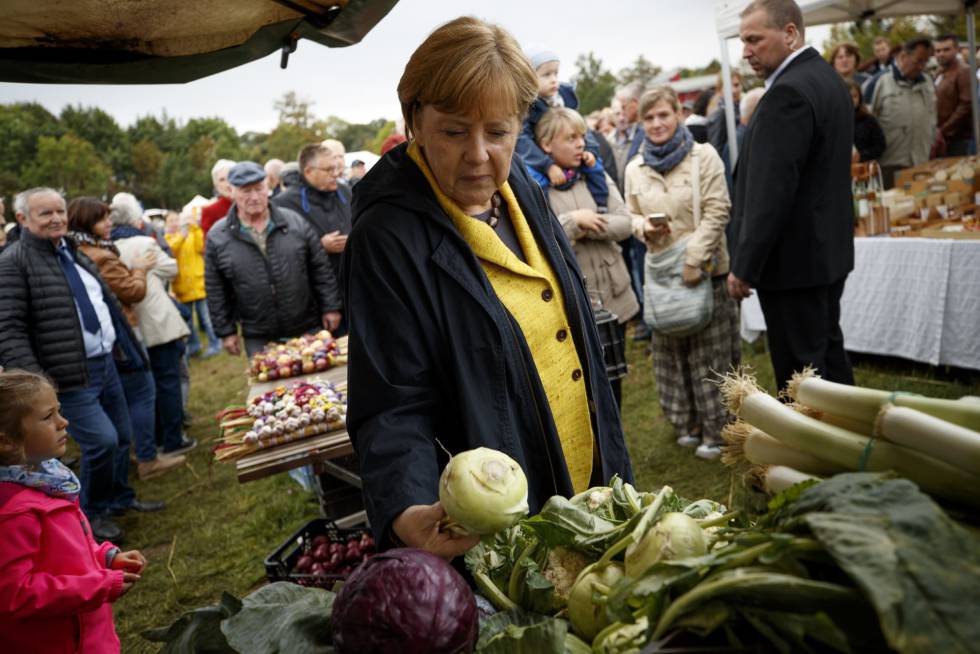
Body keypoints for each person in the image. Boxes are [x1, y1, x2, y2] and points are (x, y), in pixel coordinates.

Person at [343, 16, 633, 558]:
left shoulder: (518, 183)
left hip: (588, 478)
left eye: (498, 132)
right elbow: (390, 401)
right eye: (454, 131)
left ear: (521, 124)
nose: (479, 154)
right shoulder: (387, 237)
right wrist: (407, 506)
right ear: (414, 121)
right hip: (493, 512)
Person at [0, 188, 165, 543]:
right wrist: (36, 386)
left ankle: (120, 497)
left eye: (60, 211)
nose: (57, 218)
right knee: (101, 442)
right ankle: (90, 514)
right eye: (45, 213)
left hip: (105, 365)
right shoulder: (13, 262)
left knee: (121, 437)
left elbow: (102, 305)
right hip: (64, 378)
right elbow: (8, 328)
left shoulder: (72, 252)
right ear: (22, 219)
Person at [728, 0, 855, 391]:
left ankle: (818, 451)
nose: (745, 51)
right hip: (823, 254)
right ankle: (851, 445)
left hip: (794, 265)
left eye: (754, 39)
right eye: (742, 41)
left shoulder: (789, 93)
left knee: (803, 378)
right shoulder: (827, 79)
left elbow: (771, 193)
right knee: (828, 358)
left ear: (790, 34)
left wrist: (745, 266)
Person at [623, 87, 737, 460]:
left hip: (703, 270)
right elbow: (629, 215)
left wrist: (694, 258)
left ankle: (717, 428)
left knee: (711, 354)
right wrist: (643, 228)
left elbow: (719, 210)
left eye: (663, 115)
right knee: (671, 354)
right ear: (641, 123)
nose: (656, 124)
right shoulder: (634, 168)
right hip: (661, 273)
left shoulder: (703, 156)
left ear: (678, 114)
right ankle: (686, 423)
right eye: (649, 118)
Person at [0, 370, 147, 653]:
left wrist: (104, 557)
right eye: (48, 417)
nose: (63, 422)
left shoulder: (49, 479)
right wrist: (98, 585)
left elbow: (67, 550)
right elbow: (15, 594)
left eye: (60, 411)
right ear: (6, 441)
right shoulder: (13, 513)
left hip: (90, 636)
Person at [67, 197, 188, 480]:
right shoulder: (99, 254)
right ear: (87, 222)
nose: (109, 223)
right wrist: (140, 269)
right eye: (102, 219)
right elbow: (133, 292)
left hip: (113, 334)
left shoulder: (90, 250)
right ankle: (146, 457)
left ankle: (137, 458)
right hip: (122, 333)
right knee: (143, 392)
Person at [535, 107, 639, 407]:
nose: (581, 144)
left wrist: (589, 225)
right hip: (574, 304)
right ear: (545, 145)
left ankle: (615, 448)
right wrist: (572, 221)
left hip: (613, 296)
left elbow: (625, 223)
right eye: (570, 138)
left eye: (582, 136)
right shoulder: (536, 188)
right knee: (584, 391)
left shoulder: (595, 174)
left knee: (614, 382)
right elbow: (543, 238)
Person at [205, 161, 343, 358]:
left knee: (317, 385)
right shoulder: (218, 236)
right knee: (269, 386)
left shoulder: (294, 222)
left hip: (306, 326)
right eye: (246, 191)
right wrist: (226, 331)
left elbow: (319, 267)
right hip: (259, 335)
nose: (254, 197)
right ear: (231, 191)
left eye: (259, 189)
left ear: (268, 185)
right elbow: (215, 288)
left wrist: (331, 307)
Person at [108, 206, 198, 461]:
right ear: (136, 220)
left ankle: (154, 438)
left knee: (146, 389)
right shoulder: (143, 243)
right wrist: (149, 270)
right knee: (168, 381)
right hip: (157, 321)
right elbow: (171, 268)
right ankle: (172, 439)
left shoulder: (106, 248)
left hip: (130, 330)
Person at [517, 49, 608, 211]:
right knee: (534, 178)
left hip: (567, 157)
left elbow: (581, 128)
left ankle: (602, 204)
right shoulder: (526, 107)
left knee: (595, 166)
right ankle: (544, 215)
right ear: (528, 79)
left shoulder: (564, 99)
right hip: (540, 160)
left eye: (556, 74)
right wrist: (547, 166)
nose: (554, 80)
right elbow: (523, 142)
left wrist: (591, 150)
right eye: (546, 75)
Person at [272, 143, 352, 283]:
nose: (335, 174)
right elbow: (281, 252)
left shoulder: (345, 191)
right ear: (309, 171)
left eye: (336, 168)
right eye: (328, 169)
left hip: (352, 281)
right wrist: (320, 246)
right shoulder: (285, 203)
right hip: (315, 289)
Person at [865, 37, 936, 188]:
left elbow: (932, 117)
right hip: (890, 164)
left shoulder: (927, 82)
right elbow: (866, 122)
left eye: (926, 61)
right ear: (904, 56)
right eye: (919, 61)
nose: (922, 66)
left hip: (920, 162)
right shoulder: (879, 82)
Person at [164, 210, 221, 358]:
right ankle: (194, 346)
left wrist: (195, 228)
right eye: (171, 221)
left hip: (198, 283)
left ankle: (215, 343)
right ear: (166, 224)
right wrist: (181, 237)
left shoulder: (191, 234)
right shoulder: (167, 239)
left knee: (207, 318)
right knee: (188, 322)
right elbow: (171, 251)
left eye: (177, 220)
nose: (175, 223)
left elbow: (200, 246)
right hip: (182, 287)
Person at [934, 34, 975, 157]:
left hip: (958, 139)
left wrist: (943, 130)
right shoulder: (940, 72)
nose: (941, 54)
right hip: (943, 137)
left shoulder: (964, 71)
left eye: (946, 49)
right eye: (938, 50)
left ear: (957, 49)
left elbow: (966, 105)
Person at [847, 80, 886, 163]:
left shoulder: (868, 119)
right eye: (847, 96)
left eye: (854, 96)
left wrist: (861, 156)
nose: (851, 100)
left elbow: (880, 146)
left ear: (860, 98)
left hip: (864, 167)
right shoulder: (834, 120)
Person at [200, 159, 236, 237]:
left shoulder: (253, 202)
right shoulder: (209, 211)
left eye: (230, 177)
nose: (227, 184)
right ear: (216, 185)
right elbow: (209, 245)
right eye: (222, 180)